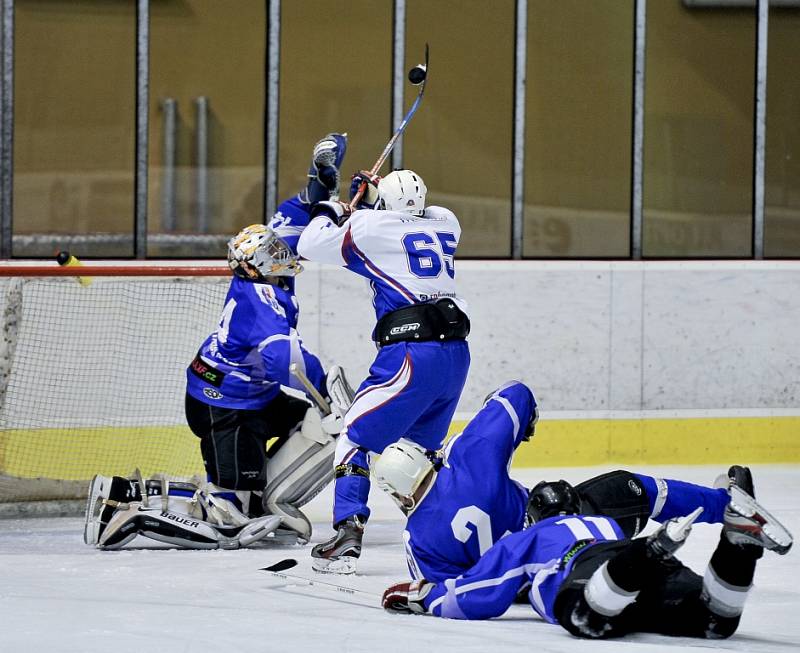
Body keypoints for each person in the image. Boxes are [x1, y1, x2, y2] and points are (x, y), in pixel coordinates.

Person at [84, 134, 354, 550]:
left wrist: (322, 183)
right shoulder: (262, 298)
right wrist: (325, 389)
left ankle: (263, 498)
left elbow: (292, 217)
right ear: (266, 264)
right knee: (229, 519)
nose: (288, 253)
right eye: (279, 253)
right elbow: (285, 357)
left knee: (309, 425)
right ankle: (126, 508)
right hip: (225, 406)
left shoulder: (262, 271)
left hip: (248, 397)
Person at [373, 380, 738, 583]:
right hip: (567, 530)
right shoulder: (466, 457)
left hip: (532, 583)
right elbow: (515, 395)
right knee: (634, 489)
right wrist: (511, 421)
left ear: (398, 493)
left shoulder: (416, 537)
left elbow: (434, 589)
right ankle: (727, 505)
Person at [381, 468, 793, 642]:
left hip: (600, 569)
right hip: (622, 554)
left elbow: (479, 592)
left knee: (586, 615)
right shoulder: (605, 521)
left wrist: (428, 597)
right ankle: (737, 545)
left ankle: (651, 551)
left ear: (534, 515)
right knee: (715, 619)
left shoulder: (529, 537)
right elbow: (650, 491)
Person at [296, 169, 471, 573]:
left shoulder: (371, 225)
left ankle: (347, 531)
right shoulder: (447, 220)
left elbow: (311, 240)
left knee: (354, 437)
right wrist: (372, 197)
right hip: (455, 355)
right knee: (418, 453)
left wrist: (334, 207)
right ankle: (446, 536)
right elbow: (404, 220)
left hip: (410, 352)